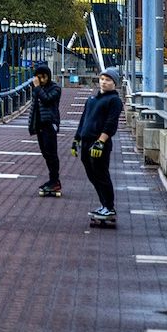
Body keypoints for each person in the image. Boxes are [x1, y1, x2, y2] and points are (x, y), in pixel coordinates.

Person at [73, 65, 123, 224]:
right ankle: (104, 205)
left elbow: (111, 123)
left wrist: (101, 142)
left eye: (108, 80)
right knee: (92, 174)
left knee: (101, 174)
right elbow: (83, 120)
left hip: (99, 142)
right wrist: (76, 139)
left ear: (114, 83)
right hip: (86, 141)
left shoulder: (114, 100)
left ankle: (109, 206)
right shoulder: (92, 99)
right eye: (102, 79)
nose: (104, 82)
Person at [29, 65, 63, 196]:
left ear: (48, 76)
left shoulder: (55, 88)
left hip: (50, 124)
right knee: (46, 154)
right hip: (39, 126)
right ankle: (52, 180)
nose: (41, 79)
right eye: (39, 77)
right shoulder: (39, 89)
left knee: (51, 154)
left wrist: (37, 88)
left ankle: (55, 181)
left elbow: (47, 100)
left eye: (44, 77)